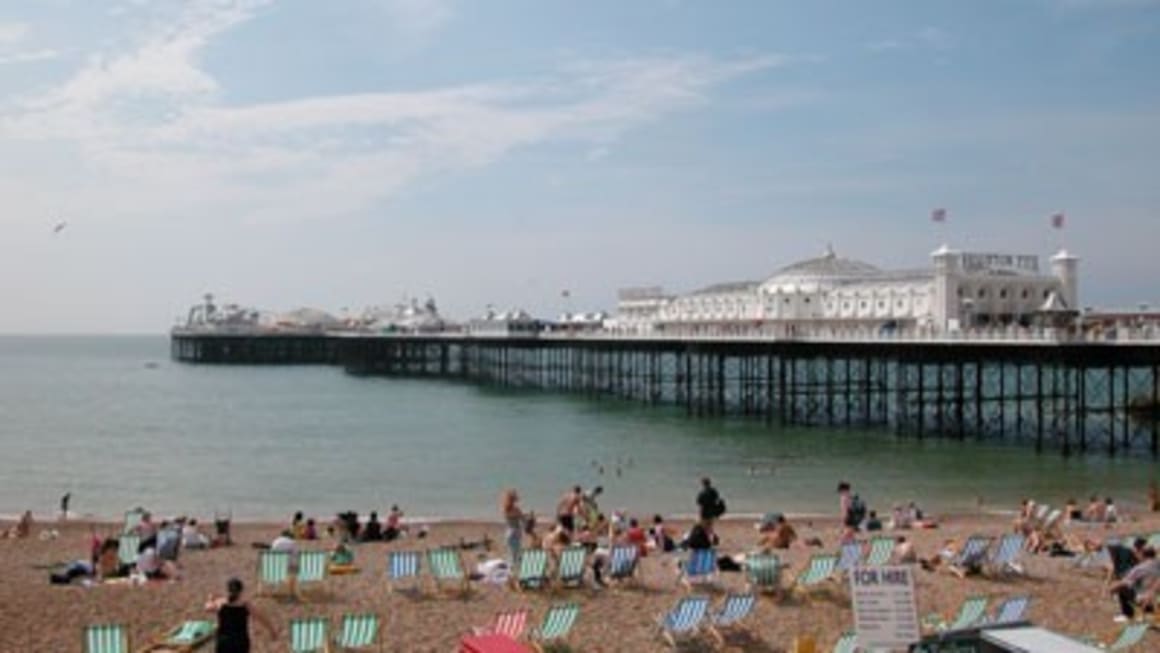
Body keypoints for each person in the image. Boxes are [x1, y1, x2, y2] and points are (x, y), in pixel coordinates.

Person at [206, 578, 276, 653]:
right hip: (240, 641)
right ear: (241, 591)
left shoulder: (220, 603)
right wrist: (272, 631)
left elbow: (207, 608)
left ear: (227, 590)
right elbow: (262, 618)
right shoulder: (246, 605)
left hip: (224, 641)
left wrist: (210, 599)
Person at [1109, 547, 1160, 622]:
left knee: (1122, 587)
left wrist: (1111, 589)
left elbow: (1123, 582)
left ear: (1142, 555)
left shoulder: (1140, 568)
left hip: (1146, 601)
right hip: (1157, 599)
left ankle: (1127, 615)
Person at [500, 489, 525, 564]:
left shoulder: (504, 509)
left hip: (509, 531)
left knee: (511, 553)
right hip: (516, 531)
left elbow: (515, 516)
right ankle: (515, 569)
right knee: (516, 553)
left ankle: (511, 569)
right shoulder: (516, 509)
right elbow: (522, 519)